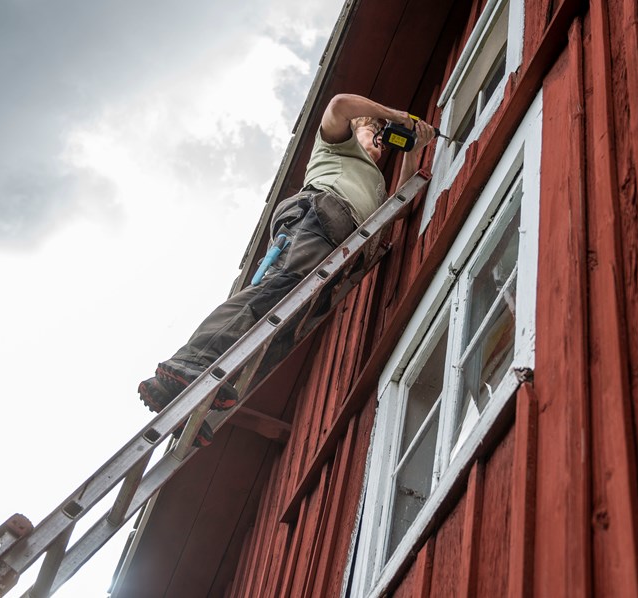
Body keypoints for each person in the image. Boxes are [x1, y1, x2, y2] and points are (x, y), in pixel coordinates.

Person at [138, 93, 436, 445]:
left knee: (280, 335)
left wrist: (413, 150)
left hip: (340, 246)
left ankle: (194, 407)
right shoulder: (335, 148)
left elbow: (396, 210)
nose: (380, 145)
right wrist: (394, 113)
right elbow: (340, 103)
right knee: (281, 288)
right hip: (319, 215)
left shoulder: (372, 181)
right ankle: (188, 362)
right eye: (374, 135)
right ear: (356, 132)